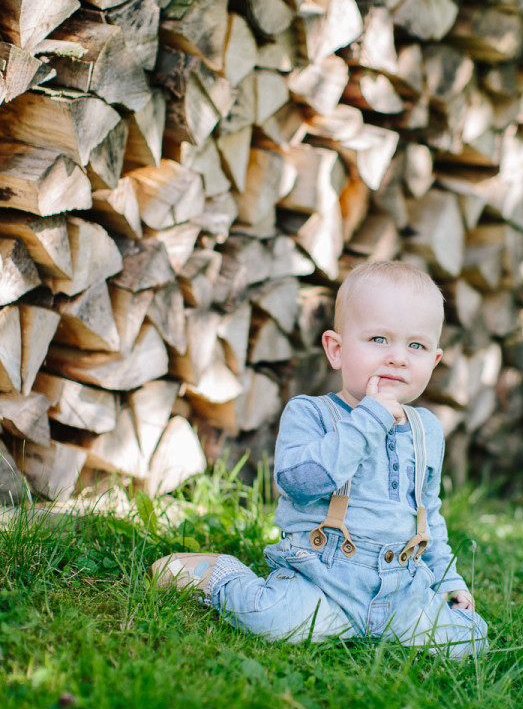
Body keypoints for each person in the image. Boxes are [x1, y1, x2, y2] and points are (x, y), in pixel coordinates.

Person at [150, 260, 488, 657]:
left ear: (433, 361)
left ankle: (390, 622)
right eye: (379, 339)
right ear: (337, 350)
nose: (398, 357)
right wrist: (369, 420)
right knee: (273, 619)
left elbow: (428, 512)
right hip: (322, 578)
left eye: (416, 345)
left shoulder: (426, 429)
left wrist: (447, 580)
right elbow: (299, 481)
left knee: (470, 639)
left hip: (401, 589)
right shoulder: (310, 413)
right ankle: (217, 577)